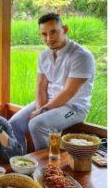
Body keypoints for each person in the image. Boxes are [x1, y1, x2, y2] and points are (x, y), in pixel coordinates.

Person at [9, 13, 95, 150]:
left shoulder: (81, 56)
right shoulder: (44, 56)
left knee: (37, 124)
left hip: (74, 107)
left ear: (65, 29)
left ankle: (48, 168)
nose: (49, 38)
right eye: (44, 34)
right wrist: (39, 109)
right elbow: (41, 86)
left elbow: (69, 92)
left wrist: (43, 111)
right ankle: (22, 162)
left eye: (53, 32)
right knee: (14, 123)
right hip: (49, 102)